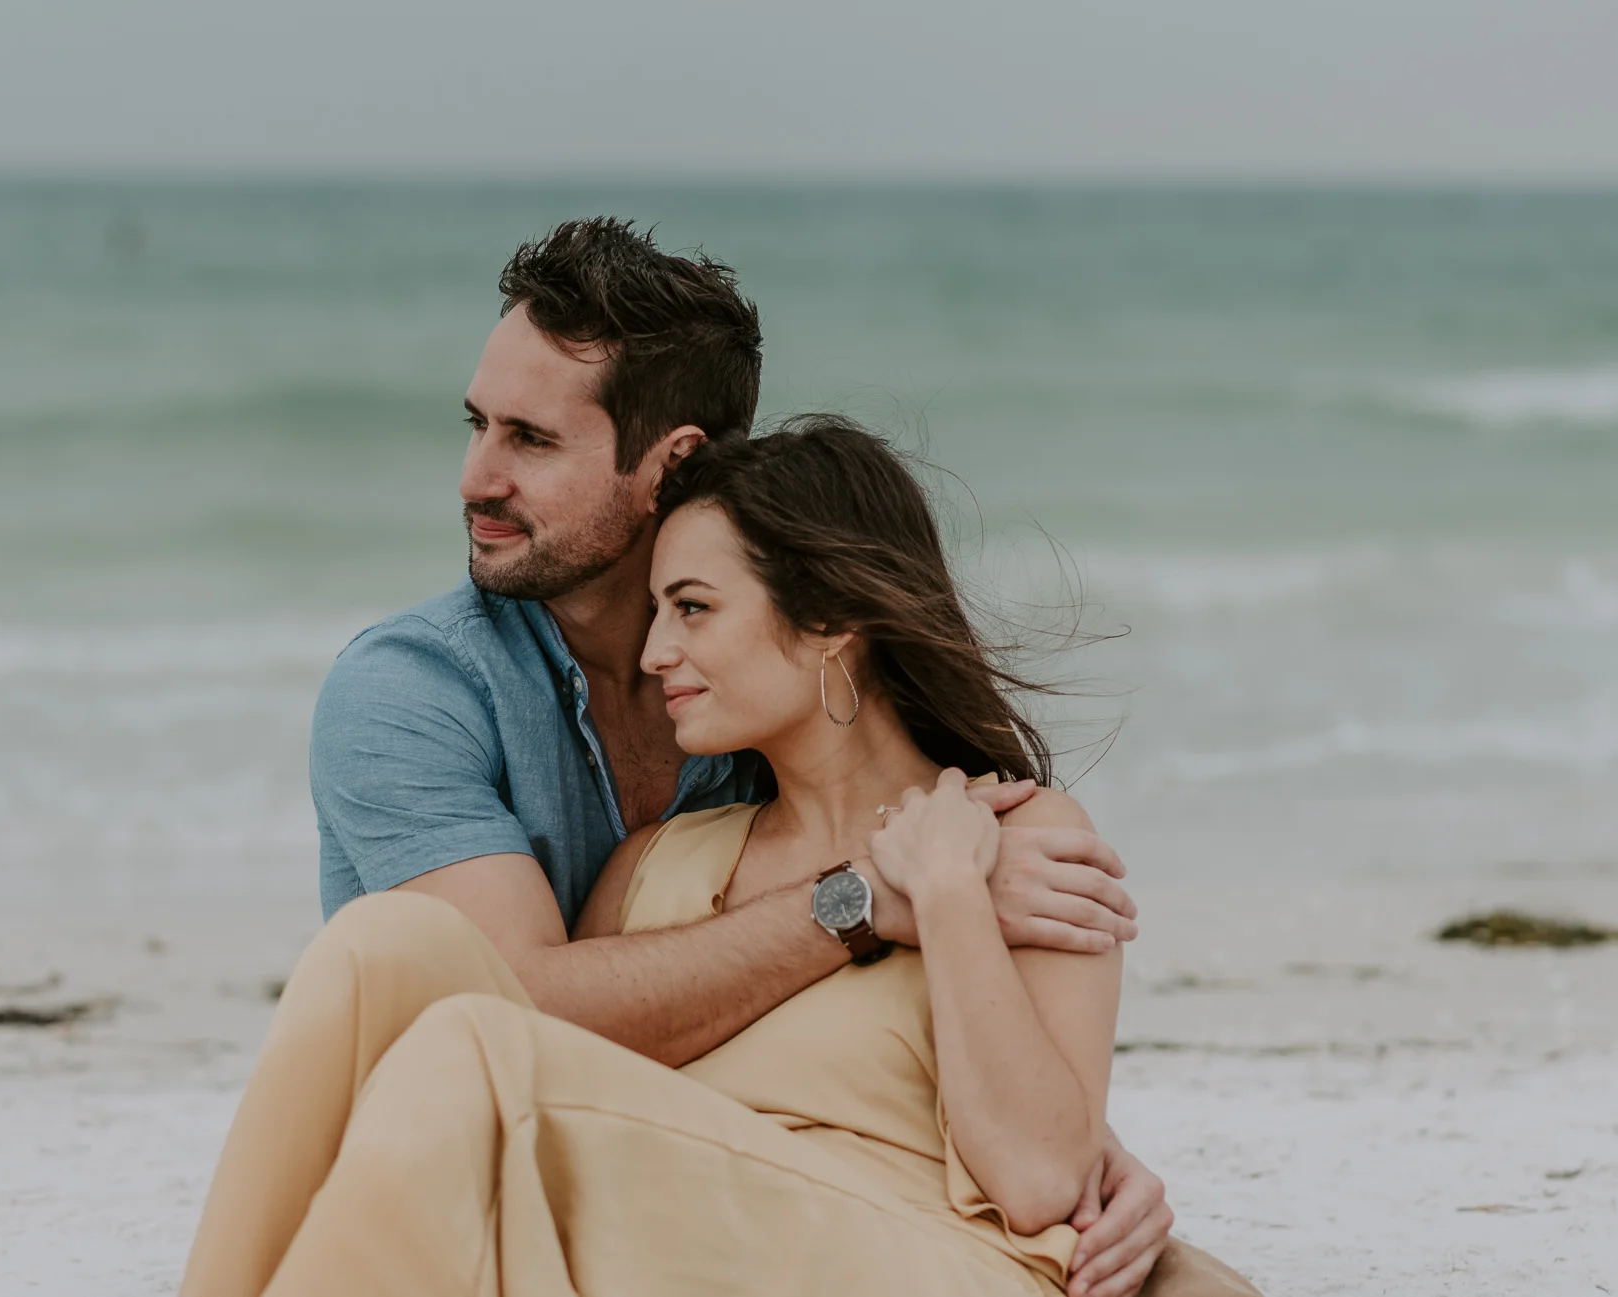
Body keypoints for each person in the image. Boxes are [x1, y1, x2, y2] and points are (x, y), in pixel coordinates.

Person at [181, 219, 1258, 1297]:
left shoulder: (987, 836)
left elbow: (1024, 1155)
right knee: (381, 951)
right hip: (643, 1200)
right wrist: (862, 897)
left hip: (869, 1239)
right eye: (477, 426)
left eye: (531, 439)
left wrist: (1089, 1140)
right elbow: (526, 1005)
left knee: (466, 1049)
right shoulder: (434, 704)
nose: (475, 477)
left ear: (673, 464)